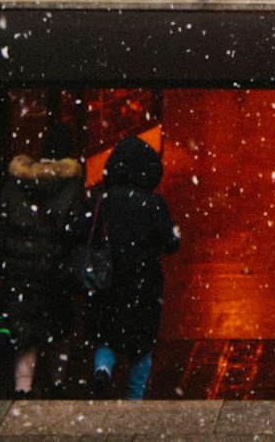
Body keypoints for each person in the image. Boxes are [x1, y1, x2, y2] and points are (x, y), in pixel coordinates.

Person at [0, 121, 84, 398]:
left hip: (20, 276)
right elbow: (74, 233)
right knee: (58, 333)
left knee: (25, 336)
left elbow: (0, 233)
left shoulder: (15, 183)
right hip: (54, 275)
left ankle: (23, 390)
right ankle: (57, 386)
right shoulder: (71, 185)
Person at [86, 134, 179, 400]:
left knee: (107, 335)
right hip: (142, 283)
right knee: (142, 345)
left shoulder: (100, 200)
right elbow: (170, 243)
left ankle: (102, 368)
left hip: (107, 280)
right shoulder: (152, 203)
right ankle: (133, 397)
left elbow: (80, 232)